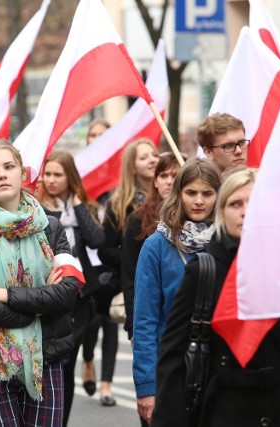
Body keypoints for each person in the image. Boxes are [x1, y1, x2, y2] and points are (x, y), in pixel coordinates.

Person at [153, 169, 280, 427]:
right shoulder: (204, 271)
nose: (245, 211)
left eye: (254, 202)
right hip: (228, 410)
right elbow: (173, 357)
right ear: (222, 213)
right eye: (235, 204)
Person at [0, 140, 78, 427]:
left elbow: (67, 293)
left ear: (22, 173)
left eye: (9, 167)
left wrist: (4, 295)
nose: (2, 174)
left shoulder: (52, 227)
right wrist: (37, 305)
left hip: (45, 356)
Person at [133, 158, 221, 426]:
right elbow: (145, 321)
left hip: (221, 368)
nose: (199, 201)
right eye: (191, 192)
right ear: (179, 193)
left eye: (207, 193)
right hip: (172, 366)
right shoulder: (157, 246)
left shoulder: (227, 242)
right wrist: (147, 387)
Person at [82, 139, 159, 407]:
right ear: (132, 167)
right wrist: (133, 257)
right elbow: (104, 248)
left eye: (154, 154)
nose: (152, 159)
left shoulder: (174, 198)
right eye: (143, 157)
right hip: (133, 286)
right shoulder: (120, 203)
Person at [37, 150, 104, 425]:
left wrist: (76, 205)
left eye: (58, 174)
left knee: (69, 362)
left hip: (80, 298)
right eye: (48, 174)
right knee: (53, 365)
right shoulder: (38, 207)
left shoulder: (81, 205)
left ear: (70, 177)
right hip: (51, 295)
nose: (51, 180)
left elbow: (98, 239)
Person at [122, 153, 182, 341]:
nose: (169, 182)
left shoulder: (196, 220)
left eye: (175, 176)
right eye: (163, 176)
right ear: (155, 181)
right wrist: (134, 325)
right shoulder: (137, 220)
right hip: (150, 318)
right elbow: (130, 276)